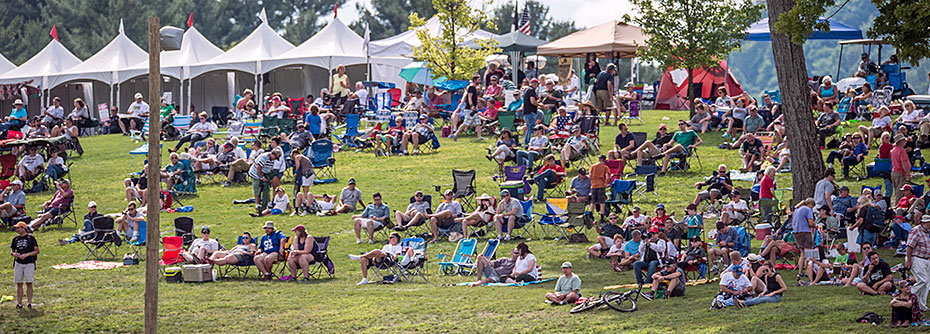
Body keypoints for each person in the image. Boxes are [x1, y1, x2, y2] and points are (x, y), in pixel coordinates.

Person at [10, 222, 38, 309]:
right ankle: (19, 303)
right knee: (19, 284)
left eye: (18, 228)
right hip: (18, 263)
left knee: (29, 283)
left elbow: (36, 251)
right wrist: (15, 254)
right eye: (16, 228)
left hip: (29, 263)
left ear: (23, 228)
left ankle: (29, 302)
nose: (17, 230)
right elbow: (12, 251)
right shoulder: (15, 239)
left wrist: (27, 254)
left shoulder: (31, 238)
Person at [905, 214, 930, 312]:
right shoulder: (916, 230)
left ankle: (921, 305)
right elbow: (909, 246)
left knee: (927, 283)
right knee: (922, 280)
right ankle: (907, 296)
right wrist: (909, 260)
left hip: (925, 259)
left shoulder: (927, 232)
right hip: (916, 258)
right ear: (923, 223)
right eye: (928, 223)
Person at [248, 147, 282, 212]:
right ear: (272, 154)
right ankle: (257, 204)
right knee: (257, 188)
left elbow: (270, 169)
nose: (274, 159)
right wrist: (262, 177)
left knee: (267, 188)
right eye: (275, 157)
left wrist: (269, 178)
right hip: (255, 174)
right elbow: (258, 167)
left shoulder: (272, 160)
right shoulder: (264, 157)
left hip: (264, 173)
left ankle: (268, 203)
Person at [891, 134, 912, 202]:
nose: (905, 142)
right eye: (904, 140)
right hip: (900, 173)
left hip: (894, 172)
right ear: (900, 141)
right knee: (900, 192)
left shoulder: (894, 150)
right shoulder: (902, 150)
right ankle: (898, 208)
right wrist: (908, 174)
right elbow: (904, 163)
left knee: (897, 191)